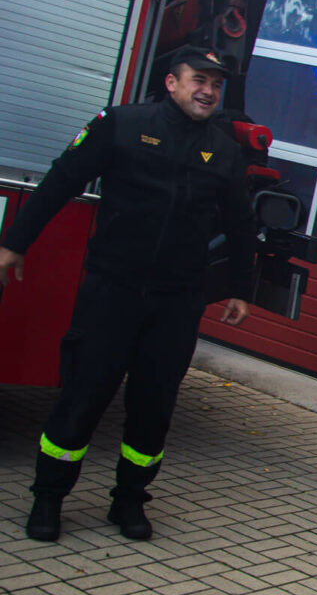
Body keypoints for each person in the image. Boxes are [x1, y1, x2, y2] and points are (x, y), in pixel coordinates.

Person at [0, 47, 256, 543]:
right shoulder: (119, 124)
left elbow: (240, 225)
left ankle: (129, 502)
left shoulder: (223, 150)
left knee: (154, 405)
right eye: (198, 79)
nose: (208, 91)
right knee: (83, 396)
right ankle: (48, 499)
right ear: (171, 83)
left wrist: (240, 288)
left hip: (176, 301)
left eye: (216, 84)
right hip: (111, 291)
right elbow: (61, 180)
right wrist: (14, 244)